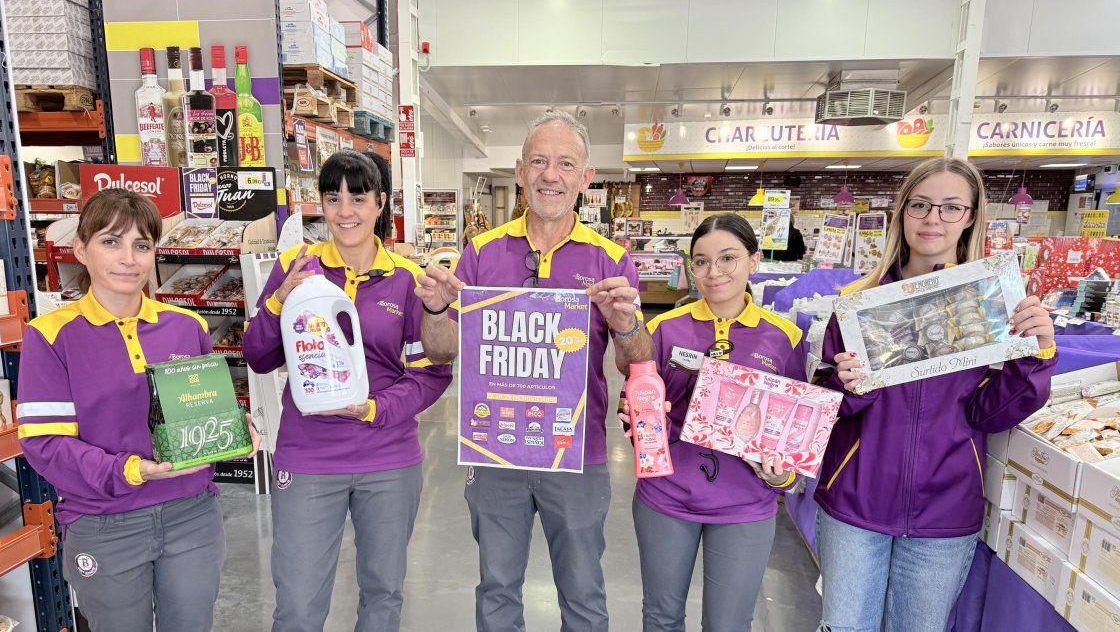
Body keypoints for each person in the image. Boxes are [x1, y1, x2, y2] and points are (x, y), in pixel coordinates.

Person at [416, 110, 648, 631]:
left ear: (586, 178)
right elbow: (442, 352)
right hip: (496, 449)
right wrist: (434, 310)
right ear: (520, 171)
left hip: (577, 453)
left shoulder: (611, 258)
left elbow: (635, 365)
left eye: (566, 163)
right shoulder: (480, 252)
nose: (551, 174)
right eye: (539, 161)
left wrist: (629, 324)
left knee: (584, 593)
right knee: (497, 589)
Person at [813, 158, 1057, 632]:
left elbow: (992, 413)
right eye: (921, 205)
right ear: (902, 212)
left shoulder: (989, 305)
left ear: (970, 217)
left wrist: (1036, 354)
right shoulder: (860, 305)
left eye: (950, 208)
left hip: (945, 508)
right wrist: (847, 388)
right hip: (855, 501)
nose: (933, 219)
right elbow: (825, 404)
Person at [16, 188, 260, 632]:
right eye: (111, 242)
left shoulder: (187, 327)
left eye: (142, 245)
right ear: (81, 250)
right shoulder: (50, 336)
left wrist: (234, 431)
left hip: (192, 514)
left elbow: (199, 410)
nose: (128, 258)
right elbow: (44, 445)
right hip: (105, 523)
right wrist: (130, 470)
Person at [243, 150, 452, 632]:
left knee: (383, 594)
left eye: (358, 197)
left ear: (381, 203)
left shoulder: (406, 280)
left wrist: (376, 409)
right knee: (297, 601)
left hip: (388, 458)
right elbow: (259, 357)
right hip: (308, 455)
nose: (344, 211)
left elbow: (431, 373)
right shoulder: (297, 268)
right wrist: (279, 299)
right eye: (332, 197)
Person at [621, 213, 803, 632]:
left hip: (745, 506)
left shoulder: (784, 336)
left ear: (754, 261)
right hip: (666, 497)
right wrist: (639, 422)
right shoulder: (663, 328)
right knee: (661, 618)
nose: (714, 272)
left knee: (729, 624)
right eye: (701, 261)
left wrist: (780, 478)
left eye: (728, 258)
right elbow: (634, 407)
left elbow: (794, 432)